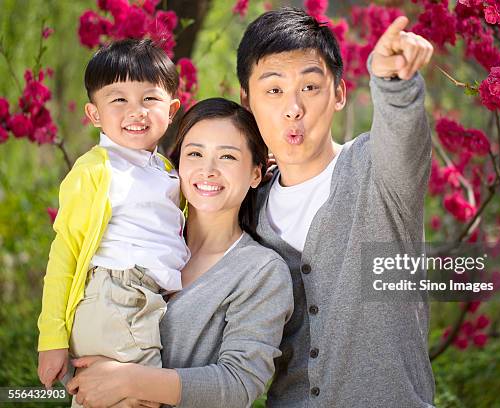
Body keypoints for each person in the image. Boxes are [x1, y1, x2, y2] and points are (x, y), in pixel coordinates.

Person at [236, 8, 435, 407]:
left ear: (339, 94)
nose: (293, 108)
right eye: (273, 90)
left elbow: (403, 135)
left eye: (310, 87)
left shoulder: (375, 170)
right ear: (248, 101)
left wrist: (392, 80)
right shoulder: (246, 209)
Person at [65, 98, 294, 408]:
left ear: (256, 173)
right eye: (195, 153)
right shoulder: (135, 238)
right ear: (178, 164)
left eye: (227, 157)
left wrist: (128, 380)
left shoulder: (261, 271)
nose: (208, 170)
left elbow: (240, 384)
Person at [37, 38, 190, 406]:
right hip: (116, 298)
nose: (135, 111)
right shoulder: (95, 170)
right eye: (118, 100)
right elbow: (65, 254)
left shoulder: (166, 170)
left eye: (149, 99)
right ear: (94, 115)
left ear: (171, 110)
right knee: (136, 398)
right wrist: (52, 338)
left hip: (147, 302)